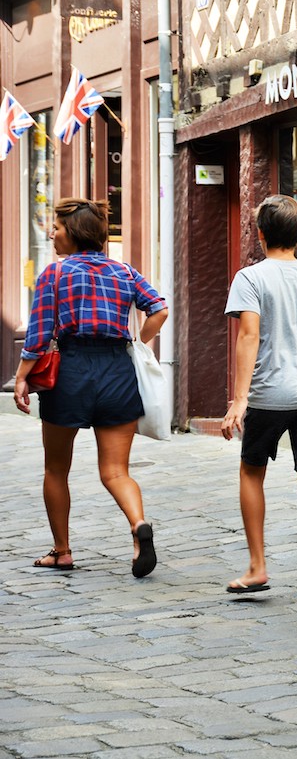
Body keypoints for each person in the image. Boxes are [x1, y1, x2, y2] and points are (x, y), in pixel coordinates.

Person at [13, 198, 168, 579]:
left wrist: (21, 376)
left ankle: (62, 551)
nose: (52, 233)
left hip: (72, 371)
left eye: (58, 227)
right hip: (117, 370)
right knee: (116, 470)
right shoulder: (124, 272)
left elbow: (37, 336)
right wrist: (139, 342)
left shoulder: (55, 274)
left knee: (55, 468)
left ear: (75, 233)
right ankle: (138, 526)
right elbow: (159, 309)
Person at [221, 195, 297, 607]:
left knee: (252, 471)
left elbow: (248, 336)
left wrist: (240, 399)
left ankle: (257, 567)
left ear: (260, 234)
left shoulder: (250, 278)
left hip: (269, 395)